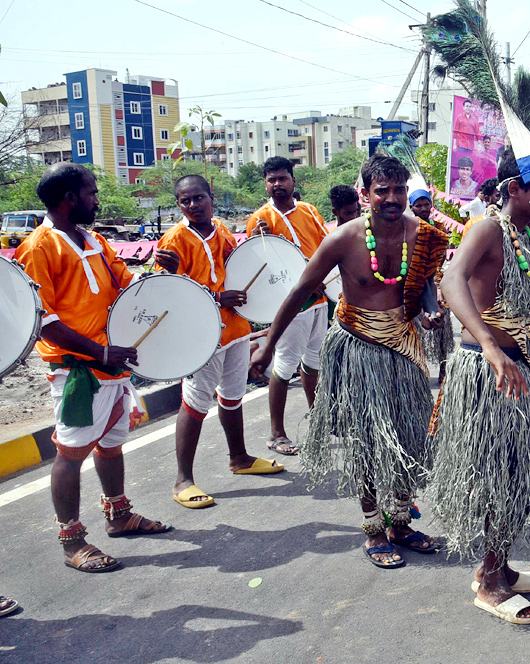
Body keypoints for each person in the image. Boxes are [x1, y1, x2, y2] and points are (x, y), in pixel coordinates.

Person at [250, 154, 447, 567]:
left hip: (404, 346)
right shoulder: (342, 239)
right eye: (382, 191)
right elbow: (303, 290)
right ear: (365, 194)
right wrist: (269, 343)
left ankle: (399, 523)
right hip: (357, 348)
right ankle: (374, 528)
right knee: (367, 442)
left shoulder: (424, 234)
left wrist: (429, 310)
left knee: (412, 436)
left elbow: (426, 281)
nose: (392, 198)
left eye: (399, 190)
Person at [429, 131, 530, 625]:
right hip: (489, 372)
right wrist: (491, 346)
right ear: (513, 187)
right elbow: (452, 282)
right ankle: (490, 584)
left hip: (524, 366)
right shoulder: (486, 228)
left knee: (516, 471)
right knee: (498, 474)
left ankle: (500, 567)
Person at [15, 163, 175, 572]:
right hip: (79, 373)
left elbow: (125, 287)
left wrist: (160, 273)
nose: (96, 199)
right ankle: (72, 542)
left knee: (110, 442)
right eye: (90, 192)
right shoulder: (38, 248)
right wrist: (100, 353)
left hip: (112, 366)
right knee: (70, 453)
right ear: (70, 198)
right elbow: (42, 320)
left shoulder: (93, 239)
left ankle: (118, 516)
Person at [158, 175, 284, 511]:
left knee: (232, 395)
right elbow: (171, 293)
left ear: (211, 197)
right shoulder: (174, 239)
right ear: (179, 204)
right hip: (201, 334)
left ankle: (239, 457)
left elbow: (238, 266)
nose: (193, 205)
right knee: (196, 401)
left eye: (198, 198)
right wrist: (217, 297)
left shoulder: (221, 230)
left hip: (235, 329)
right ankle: (183, 478)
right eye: (185, 201)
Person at [245, 156, 330, 457]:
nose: (277, 184)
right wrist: (256, 240)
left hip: (319, 299)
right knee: (284, 366)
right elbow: (257, 267)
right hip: (290, 304)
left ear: (294, 181)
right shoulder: (259, 219)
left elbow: (325, 245)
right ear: (266, 184)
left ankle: (320, 418)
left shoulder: (309, 210)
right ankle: (276, 433)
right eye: (271, 179)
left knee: (314, 362)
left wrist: (324, 281)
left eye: (282, 178)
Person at [410, 189, 453, 385]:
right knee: (417, 331)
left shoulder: (440, 229)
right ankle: (419, 368)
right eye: (418, 205)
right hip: (415, 282)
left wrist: (440, 288)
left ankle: (444, 369)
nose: (423, 208)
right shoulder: (408, 229)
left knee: (443, 327)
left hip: (436, 280)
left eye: (426, 204)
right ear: (411, 208)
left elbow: (441, 259)